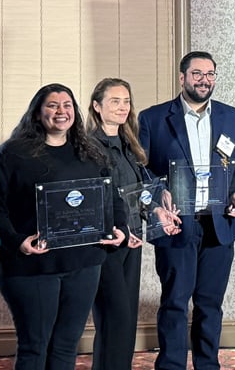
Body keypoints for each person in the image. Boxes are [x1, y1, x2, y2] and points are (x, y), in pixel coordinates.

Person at [0, 83, 128, 370]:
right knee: (35, 347)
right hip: (32, 267)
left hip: (84, 264)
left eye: (67, 105)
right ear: (37, 112)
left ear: (75, 112)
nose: (61, 111)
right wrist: (17, 241)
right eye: (52, 105)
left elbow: (111, 196)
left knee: (67, 346)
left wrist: (119, 229)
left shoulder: (90, 152)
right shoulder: (13, 155)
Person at [138, 51, 235, 370]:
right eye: (197, 74)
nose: (204, 80)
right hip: (175, 223)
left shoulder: (233, 117)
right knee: (174, 302)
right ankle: (171, 365)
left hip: (219, 224)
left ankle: (207, 365)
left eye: (210, 74)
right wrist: (161, 193)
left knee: (210, 305)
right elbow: (140, 169)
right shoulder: (153, 118)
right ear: (182, 77)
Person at [87, 77, 181, 370]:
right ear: (97, 106)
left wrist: (156, 211)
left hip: (133, 239)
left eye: (126, 101)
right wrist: (119, 229)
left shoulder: (130, 143)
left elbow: (137, 191)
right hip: (106, 243)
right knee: (114, 318)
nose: (123, 107)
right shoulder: (88, 146)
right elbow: (93, 197)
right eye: (115, 101)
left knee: (125, 320)